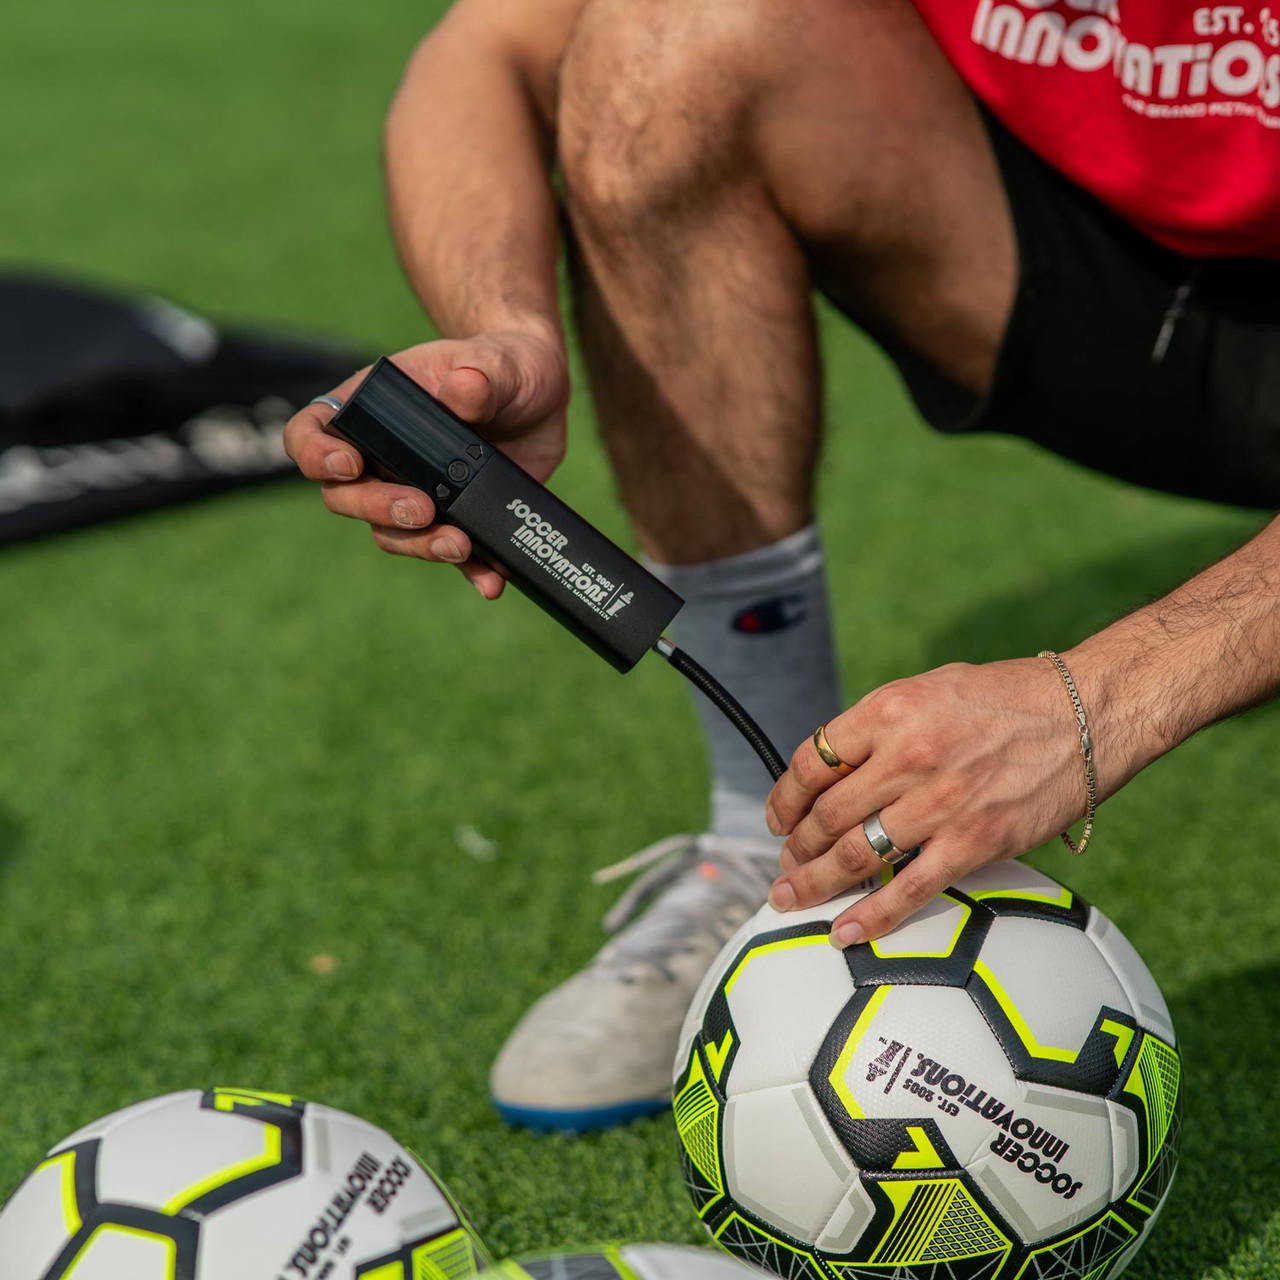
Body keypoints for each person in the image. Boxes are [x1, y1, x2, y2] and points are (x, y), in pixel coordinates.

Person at [284, 0, 1280, 1131]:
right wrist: (503, 328)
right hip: (1094, 276)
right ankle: (759, 847)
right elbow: (487, 45)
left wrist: (1089, 698)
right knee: (668, 41)